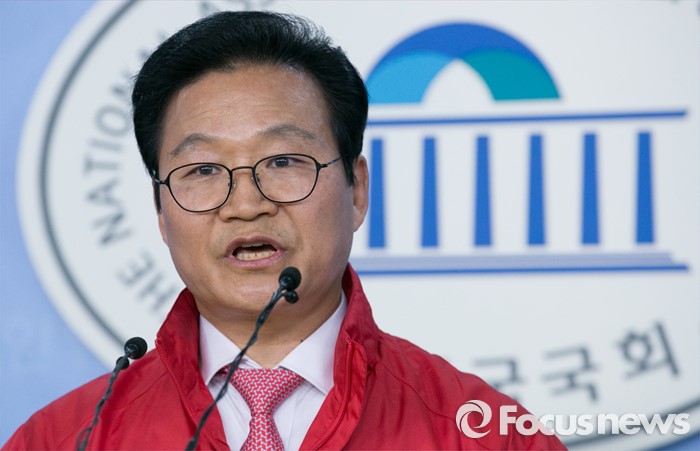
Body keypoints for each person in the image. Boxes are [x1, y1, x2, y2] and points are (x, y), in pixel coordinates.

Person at [4, 11, 565, 450]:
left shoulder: (486, 435)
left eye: (283, 161)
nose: (246, 204)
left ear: (357, 189)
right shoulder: (63, 440)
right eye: (203, 170)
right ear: (160, 209)